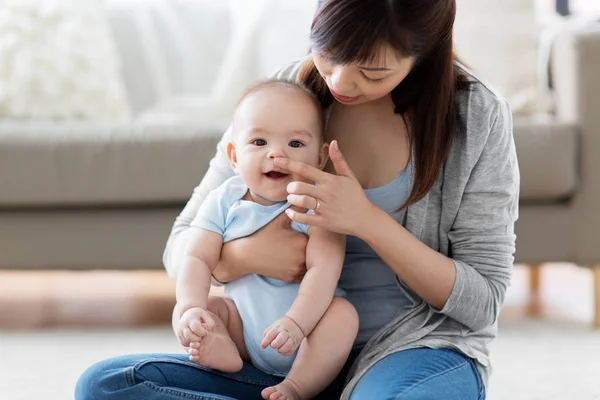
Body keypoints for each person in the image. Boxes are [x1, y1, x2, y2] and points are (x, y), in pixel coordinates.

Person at [75, 0, 519, 399]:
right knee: (106, 386)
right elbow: (181, 244)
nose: (340, 80)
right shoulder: (285, 95)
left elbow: (481, 303)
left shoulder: (476, 116)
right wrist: (243, 256)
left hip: (409, 353)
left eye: (373, 71)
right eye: (329, 52)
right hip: (274, 359)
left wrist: (366, 221)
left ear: (425, 51)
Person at [173, 79, 357, 400]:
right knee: (206, 310)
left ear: (319, 158)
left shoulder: (316, 202)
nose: (276, 154)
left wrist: (296, 324)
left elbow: (324, 271)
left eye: (295, 144)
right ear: (234, 156)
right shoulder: (224, 200)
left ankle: (296, 386)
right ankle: (223, 349)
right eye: (259, 141)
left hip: (308, 334)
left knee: (343, 315)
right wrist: (190, 308)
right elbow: (197, 258)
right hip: (243, 329)